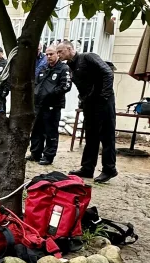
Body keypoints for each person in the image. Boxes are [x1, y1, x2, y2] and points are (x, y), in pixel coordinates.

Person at [56, 41, 118, 183]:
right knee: (91, 135)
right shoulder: (70, 66)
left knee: (106, 135)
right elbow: (82, 86)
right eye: (57, 52)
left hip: (104, 101)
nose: (58, 55)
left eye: (60, 51)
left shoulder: (88, 57)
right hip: (89, 103)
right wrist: (83, 101)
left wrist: (105, 96)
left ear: (69, 49)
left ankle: (109, 169)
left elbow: (108, 73)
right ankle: (87, 167)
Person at [28, 45, 72, 165]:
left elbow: (66, 86)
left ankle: (48, 156)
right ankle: (35, 153)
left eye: (51, 54)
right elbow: (37, 84)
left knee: (50, 131)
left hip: (53, 105)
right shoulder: (43, 68)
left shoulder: (63, 68)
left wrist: (51, 94)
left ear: (57, 54)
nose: (48, 57)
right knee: (36, 129)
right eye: (47, 54)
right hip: (39, 105)